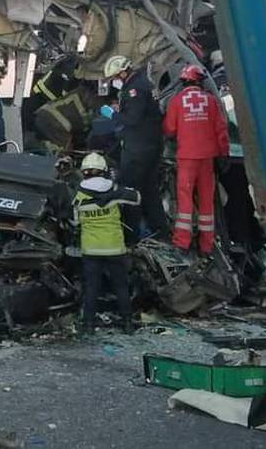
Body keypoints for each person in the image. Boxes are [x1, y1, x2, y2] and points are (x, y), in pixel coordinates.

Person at [162, 64, 229, 255]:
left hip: (186, 157)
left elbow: (169, 129)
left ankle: (182, 242)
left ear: (183, 82)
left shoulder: (176, 101)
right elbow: (221, 130)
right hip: (207, 158)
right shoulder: (211, 101)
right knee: (207, 200)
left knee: (185, 199)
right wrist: (223, 154)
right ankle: (206, 245)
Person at [102, 55, 169, 244]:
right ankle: (160, 232)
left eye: (115, 77)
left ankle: (130, 237)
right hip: (152, 146)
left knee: (130, 190)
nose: (115, 81)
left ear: (123, 73)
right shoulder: (144, 83)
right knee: (149, 190)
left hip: (138, 149)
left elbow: (133, 119)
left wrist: (113, 115)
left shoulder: (134, 88)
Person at [71, 152, 140, 335]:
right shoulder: (114, 190)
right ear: (104, 171)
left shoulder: (78, 196)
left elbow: (75, 222)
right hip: (114, 248)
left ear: (84, 172)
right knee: (120, 285)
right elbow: (137, 198)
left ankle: (88, 325)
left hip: (91, 249)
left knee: (92, 287)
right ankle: (128, 324)